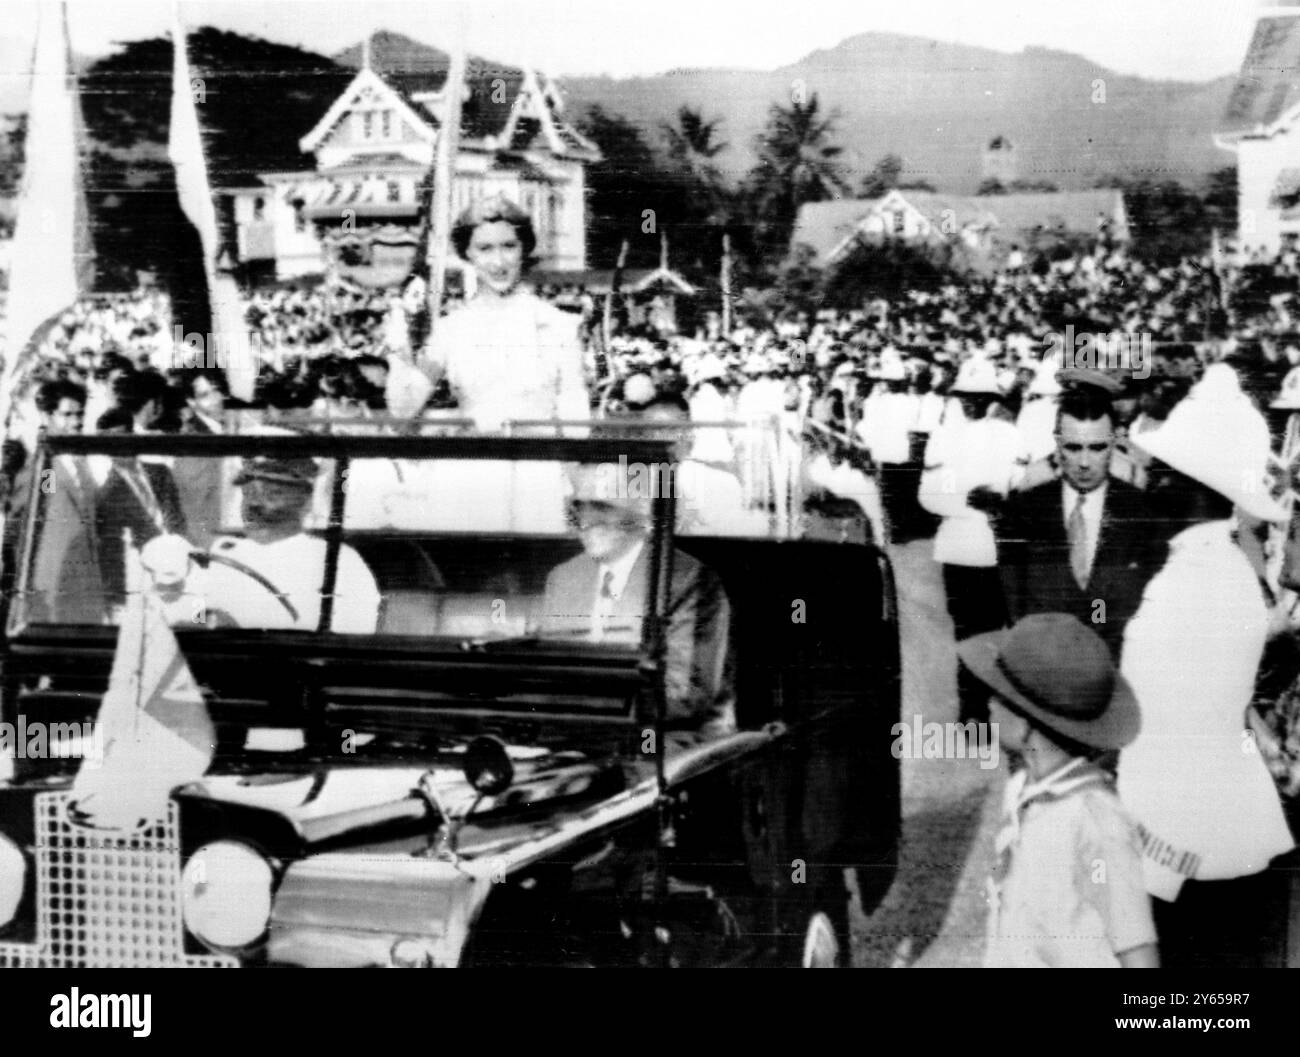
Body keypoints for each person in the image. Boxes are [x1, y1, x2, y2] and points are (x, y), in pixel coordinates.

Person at [1116, 364, 1295, 968]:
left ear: (1187, 486)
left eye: (1159, 474)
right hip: (1225, 839)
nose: (1146, 483)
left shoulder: (1189, 579)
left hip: (1181, 850)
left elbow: (1153, 730)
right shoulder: (1218, 566)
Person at [959, 613, 1157, 968]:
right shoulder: (1023, 790)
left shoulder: (1096, 817)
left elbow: (1138, 955)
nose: (988, 704)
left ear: (1026, 724)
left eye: (999, 697)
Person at [539, 465, 735, 743]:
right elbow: (548, 675)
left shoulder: (688, 579)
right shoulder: (563, 578)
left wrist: (578, 704)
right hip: (582, 737)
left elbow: (684, 697)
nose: (586, 520)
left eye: (601, 506)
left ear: (641, 508)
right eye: (578, 507)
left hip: (666, 741)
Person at [392, 195, 590, 430]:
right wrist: (398, 352)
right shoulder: (451, 330)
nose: (498, 262)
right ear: (468, 254)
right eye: (485, 249)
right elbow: (404, 410)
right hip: (478, 461)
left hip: (541, 462)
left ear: (524, 249)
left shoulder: (559, 326)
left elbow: (576, 422)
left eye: (509, 246)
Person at [996, 385, 1165, 656]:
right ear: (1057, 444)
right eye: (1073, 448)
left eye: (1097, 448)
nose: (1084, 462)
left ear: (1113, 444)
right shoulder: (1024, 511)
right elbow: (1012, 594)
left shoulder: (1141, 513)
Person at [917, 356, 1022, 722]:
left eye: (979, 395)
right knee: (967, 633)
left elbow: (1020, 485)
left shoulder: (1010, 436)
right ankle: (974, 714)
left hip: (998, 548)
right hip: (959, 546)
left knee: (996, 632)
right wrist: (965, 500)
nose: (971, 402)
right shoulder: (945, 438)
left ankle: (996, 708)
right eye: (965, 395)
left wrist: (1003, 500)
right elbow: (928, 494)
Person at [197, 456, 381, 634]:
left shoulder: (338, 560)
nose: (254, 503)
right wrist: (205, 620)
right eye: (248, 493)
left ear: (306, 504)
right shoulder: (220, 552)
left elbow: (352, 637)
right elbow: (194, 614)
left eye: (273, 493)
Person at [20, 381, 107, 623]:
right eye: (67, 414)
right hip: (53, 586)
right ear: (47, 416)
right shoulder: (44, 466)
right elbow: (40, 506)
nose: (76, 421)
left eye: (80, 414)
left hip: (87, 583)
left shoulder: (81, 461)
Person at [93, 408, 188, 609]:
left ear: (133, 436)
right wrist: (120, 602)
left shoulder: (161, 473)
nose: (119, 446)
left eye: (124, 437)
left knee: (196, 623)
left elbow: (179, 522)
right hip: (143, 586)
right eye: (111, 441)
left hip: (183, 575)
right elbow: (112, 557)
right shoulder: (106, 498)